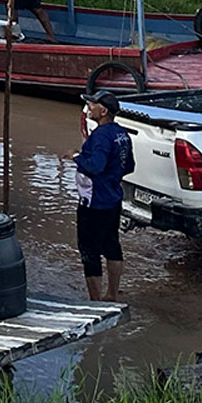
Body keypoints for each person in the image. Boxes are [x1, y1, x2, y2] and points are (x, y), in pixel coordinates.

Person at [72, 93, 133, 302]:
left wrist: (76, 157)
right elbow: (130, 165)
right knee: (111, 245)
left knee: (89, 252)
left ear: (103, 111)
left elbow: (95, 166)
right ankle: (112, 294)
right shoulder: (122, 134)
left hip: (94, 203)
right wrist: (112, 177)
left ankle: (95, 302)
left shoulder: (100, 136)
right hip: (113, 199)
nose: (88, 107)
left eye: (92, 104)